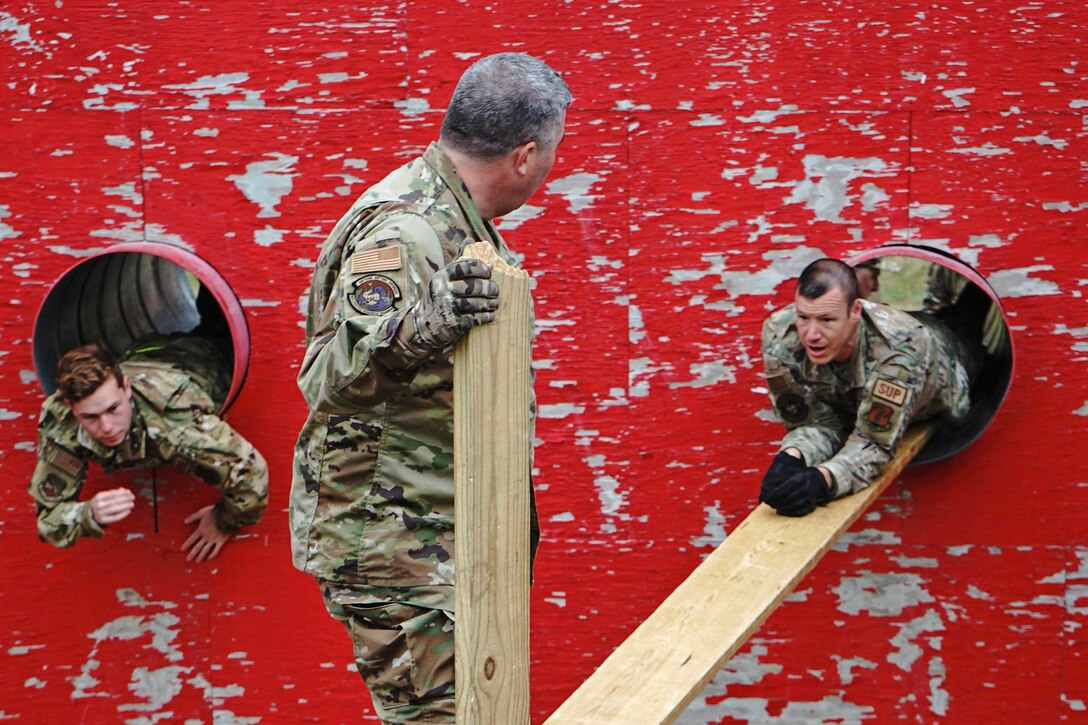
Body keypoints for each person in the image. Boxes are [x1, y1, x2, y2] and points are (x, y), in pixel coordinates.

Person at [289, 52, 571, 723]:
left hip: (437, 549)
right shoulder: (407, 231)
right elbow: (325, 379)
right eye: (555, 153)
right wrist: (426, 324)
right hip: (395, 552)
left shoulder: (452, 216)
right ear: (526, 156)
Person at [758, 258, 973, 517]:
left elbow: (874, 443)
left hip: (952, 358)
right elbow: (818, 422)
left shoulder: (901, 348)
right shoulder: (780, 336)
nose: (811, 334)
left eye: (827, 320)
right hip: (865, 387)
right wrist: (792, 457)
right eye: (804, 317)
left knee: (966, 319)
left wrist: (822, 482)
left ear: (855, 312)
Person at [28, 335, 268, 561]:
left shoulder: (174, 420)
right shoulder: (62, 424)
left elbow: (251, 474)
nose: (107, 427)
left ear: (127, 388)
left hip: (206, 356)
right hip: (147, 344)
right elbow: (48, 519)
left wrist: (222, 520)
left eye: (113, 409)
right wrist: (87, 514)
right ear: (70, 406)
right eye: (90, 417)